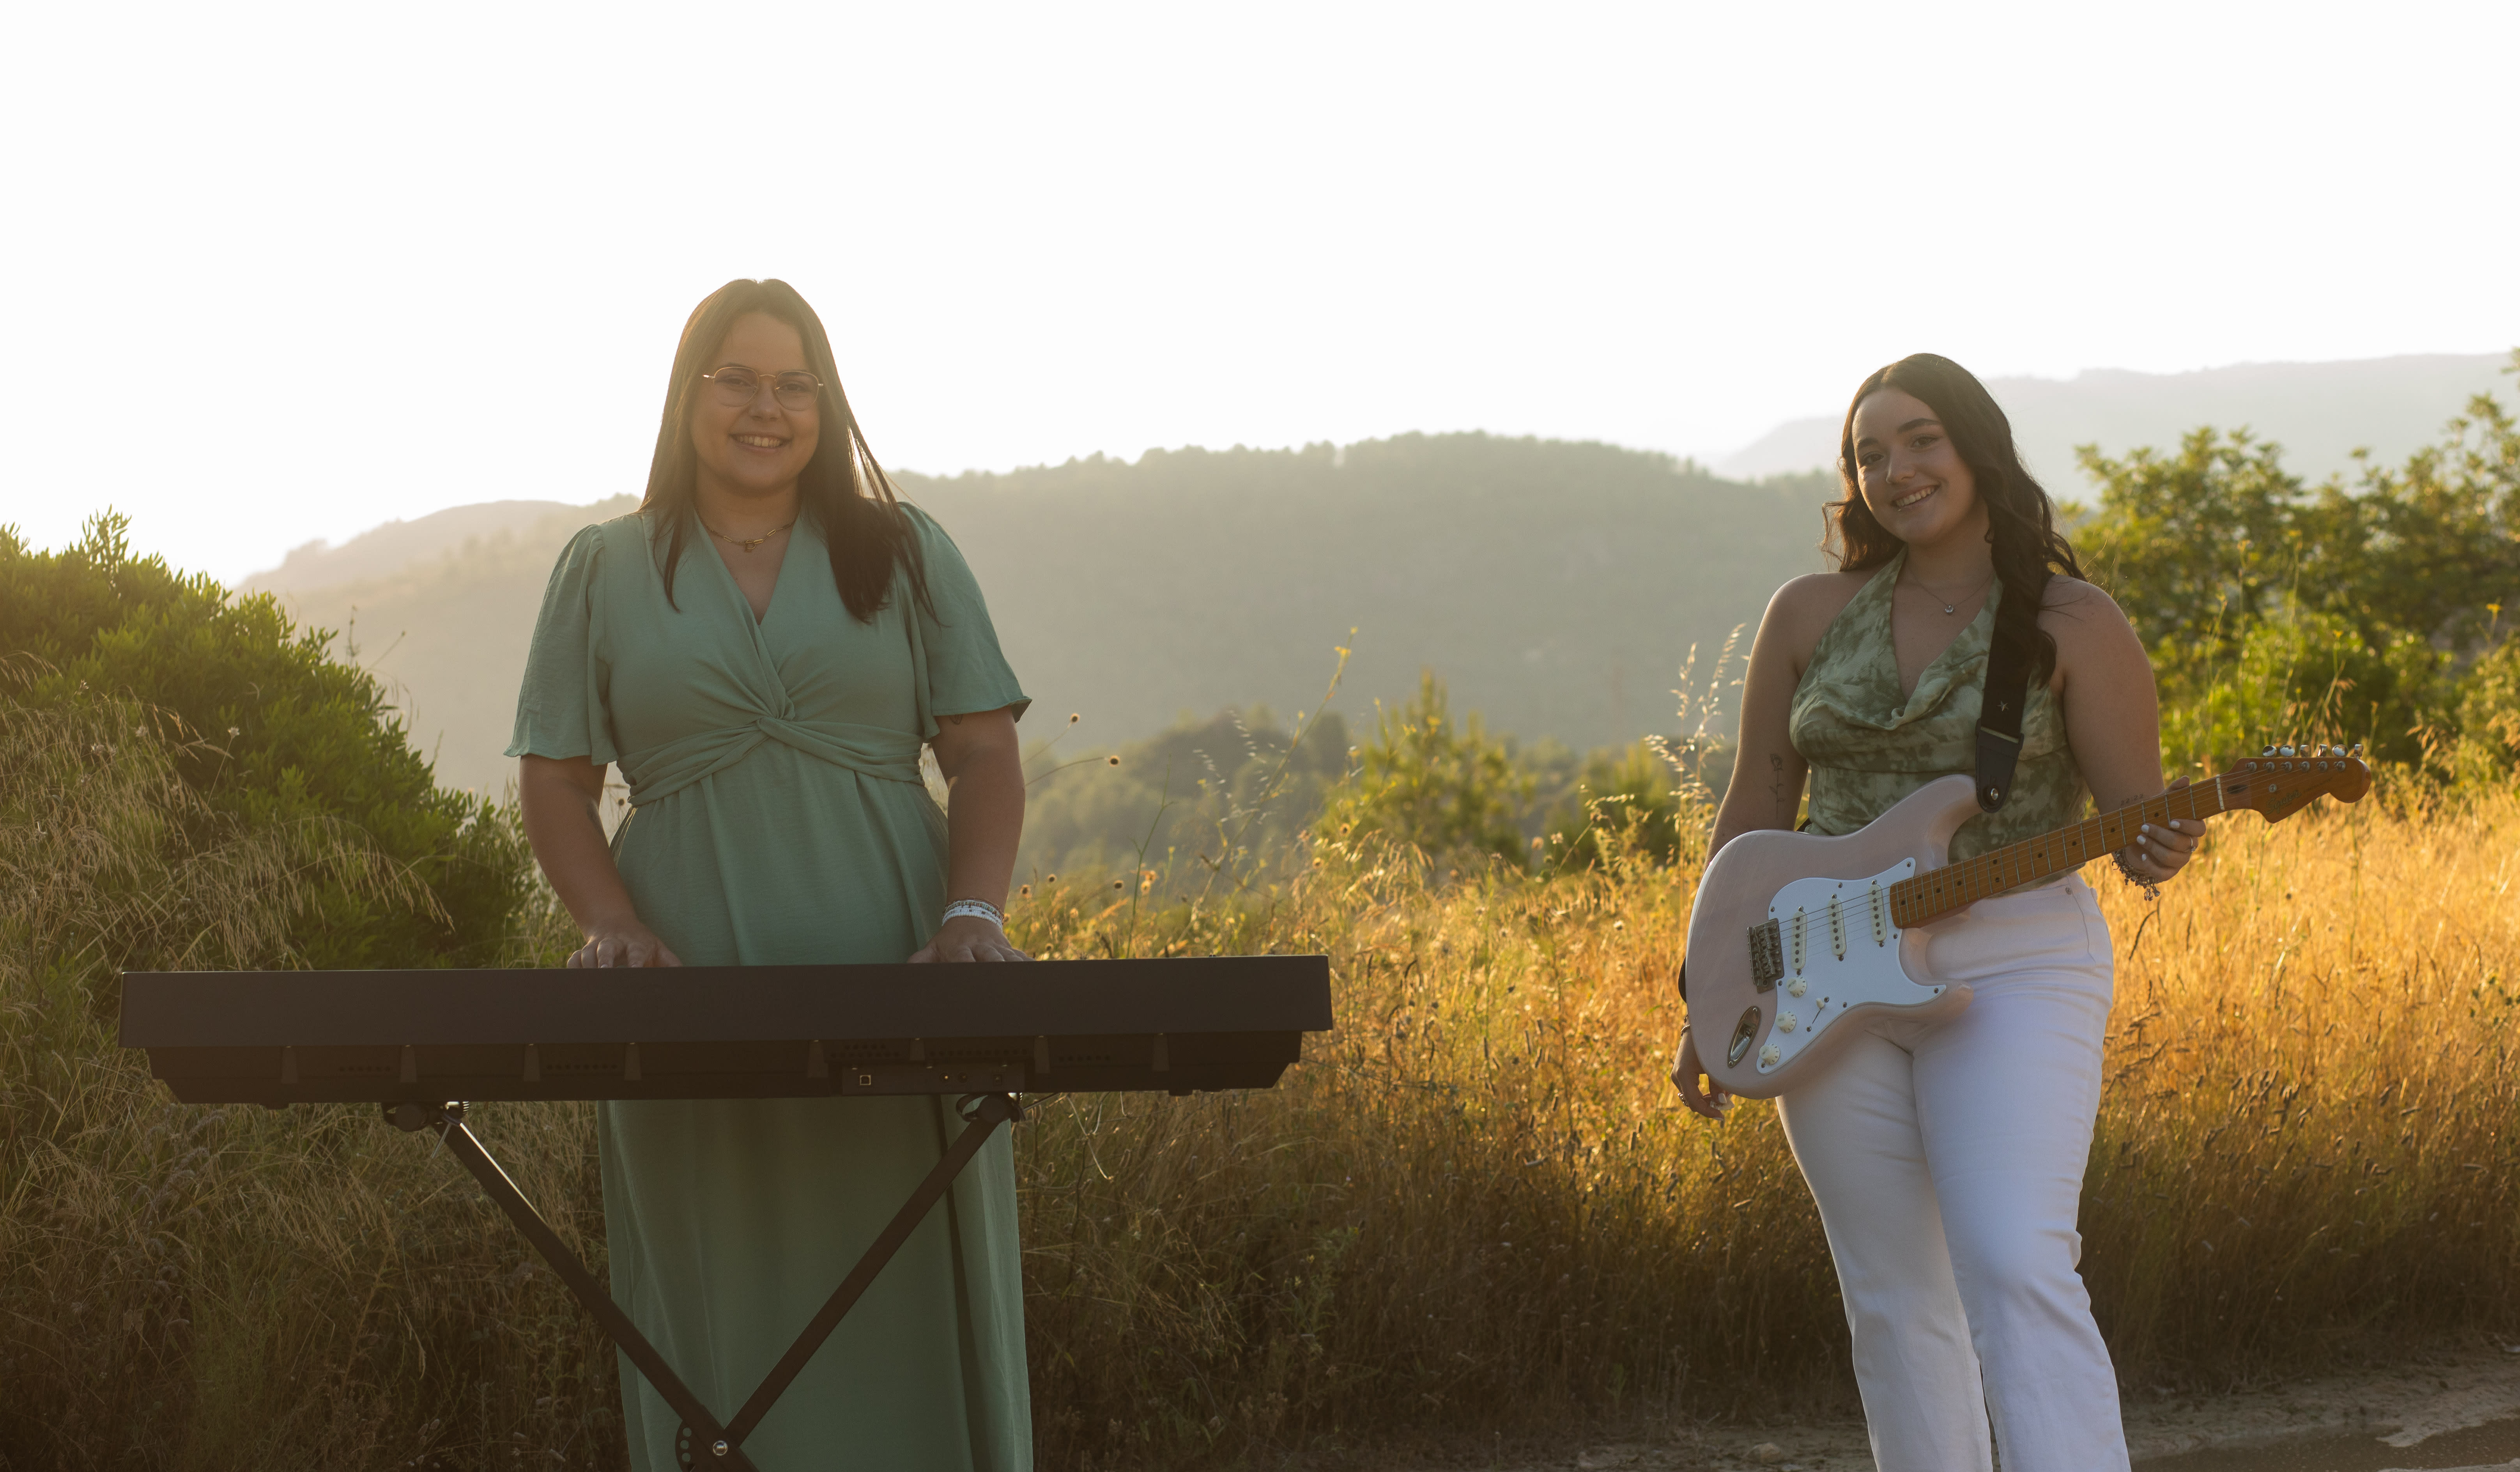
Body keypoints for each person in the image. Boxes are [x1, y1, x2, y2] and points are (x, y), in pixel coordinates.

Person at [509, 278, 1035, 1471]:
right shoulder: (602, 567)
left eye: (797, 385)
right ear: (686, 395)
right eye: (738, 380)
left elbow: (983, 752)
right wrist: (611, 924)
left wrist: (972, 914)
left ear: (826, 403)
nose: (769, 408)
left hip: (901, 963)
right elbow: (556, 780)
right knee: (717, 1304)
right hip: (681, 980)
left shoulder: (905, 551)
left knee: (908, 1275)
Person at [1669, 354, 2199, 1471]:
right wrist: (1709, 995)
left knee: (2012, 1258)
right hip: (1815, 969)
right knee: (1892, 1294)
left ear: (1975, 446)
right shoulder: (1808, 613)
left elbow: (2135, 819)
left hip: (2016, 958)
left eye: (1921, 440)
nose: (1896, 470)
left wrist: (2163, 841)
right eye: (1870, 454)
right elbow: (1757, 806)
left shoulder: (2071, 620)